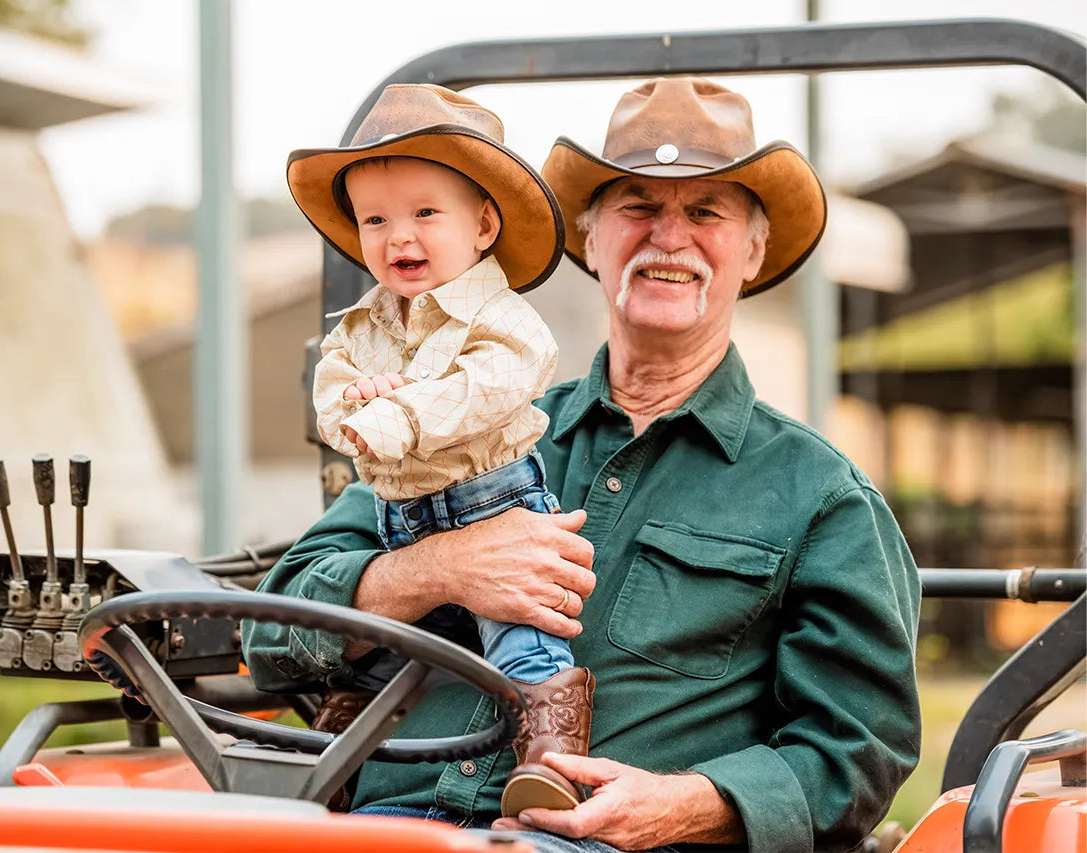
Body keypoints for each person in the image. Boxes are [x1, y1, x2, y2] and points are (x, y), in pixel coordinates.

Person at [246, 77, 921, 853]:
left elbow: (857, 749)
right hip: (389, 829)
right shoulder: (461, 428)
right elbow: (272, 633)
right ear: (592, 240)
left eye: (705, 211)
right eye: (638, 207)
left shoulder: (821, 499)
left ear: (754, 248)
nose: (669, 236)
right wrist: (438, 568)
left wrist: (684, 802)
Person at [285, 82, 596, 815]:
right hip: (401, 513)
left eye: (426, 212)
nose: (400, 236)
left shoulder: (505, 320)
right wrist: (352, 410)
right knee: (380, 644)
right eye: (376, 219)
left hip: (493, 499)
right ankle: (340, 737)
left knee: (522, 623)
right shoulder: (363, 324)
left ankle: (551, 746)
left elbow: (490, 385)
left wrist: (395, 414)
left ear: (483, 225)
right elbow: (333, 382)